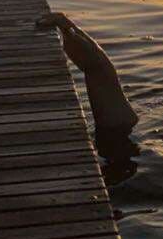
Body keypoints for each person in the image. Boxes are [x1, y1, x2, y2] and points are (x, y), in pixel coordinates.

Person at [35, 12, 138, 143]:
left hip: (119, 128)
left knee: (117, 128)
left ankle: (70, 31)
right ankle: (70, 30)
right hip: (121, 128)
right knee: (118, 128)